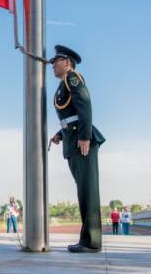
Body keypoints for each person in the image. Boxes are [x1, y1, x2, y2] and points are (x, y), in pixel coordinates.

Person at [49, 45, 106, 253]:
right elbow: (70, 115)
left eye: (56, 61)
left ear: (67, 62)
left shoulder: (73, 78)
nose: (52, 65)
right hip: (72, 139)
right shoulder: (63, 84)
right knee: (83, 191)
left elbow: (85, 105)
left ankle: (91, 241)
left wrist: (84, 137)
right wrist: (60, 134)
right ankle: (87, 239)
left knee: (88, 191)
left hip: (82, 142)